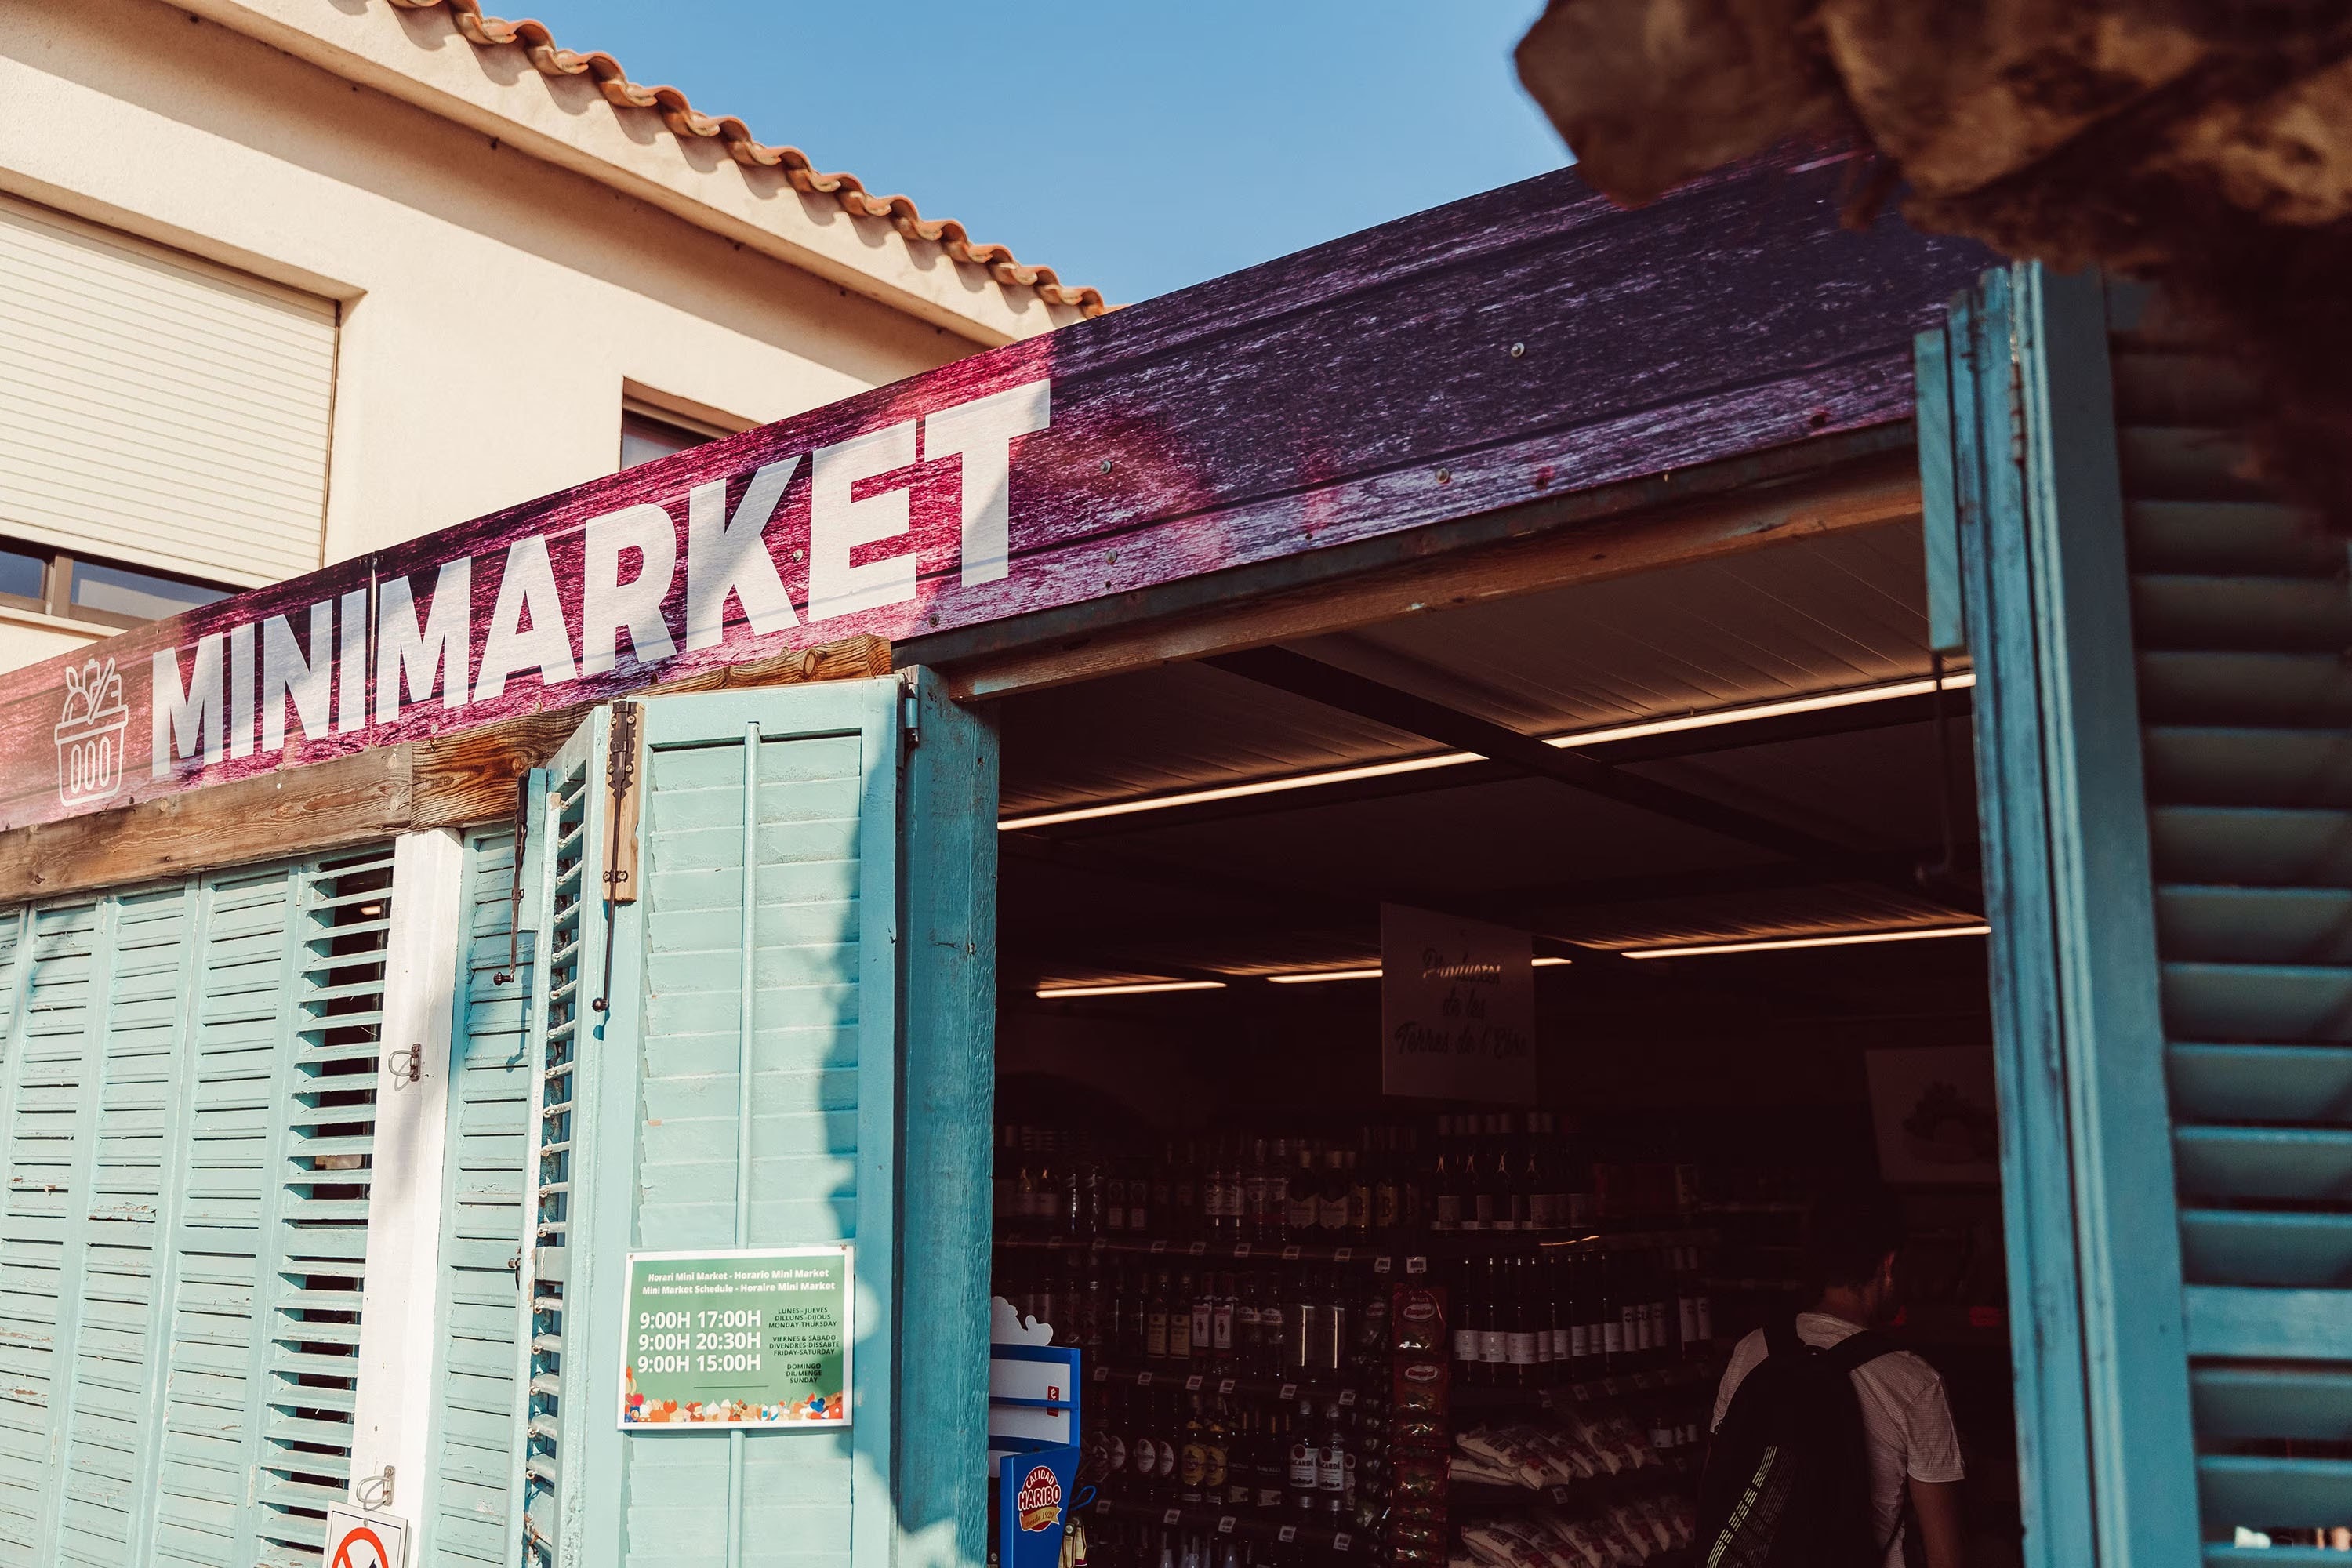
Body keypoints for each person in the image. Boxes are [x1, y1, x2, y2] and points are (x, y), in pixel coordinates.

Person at [1710, 1189, 1966, 1568]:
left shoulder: (1751, 1351)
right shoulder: (1915, 1384)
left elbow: (1715, 1488)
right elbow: (1946, 1558)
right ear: (1890, 1265)